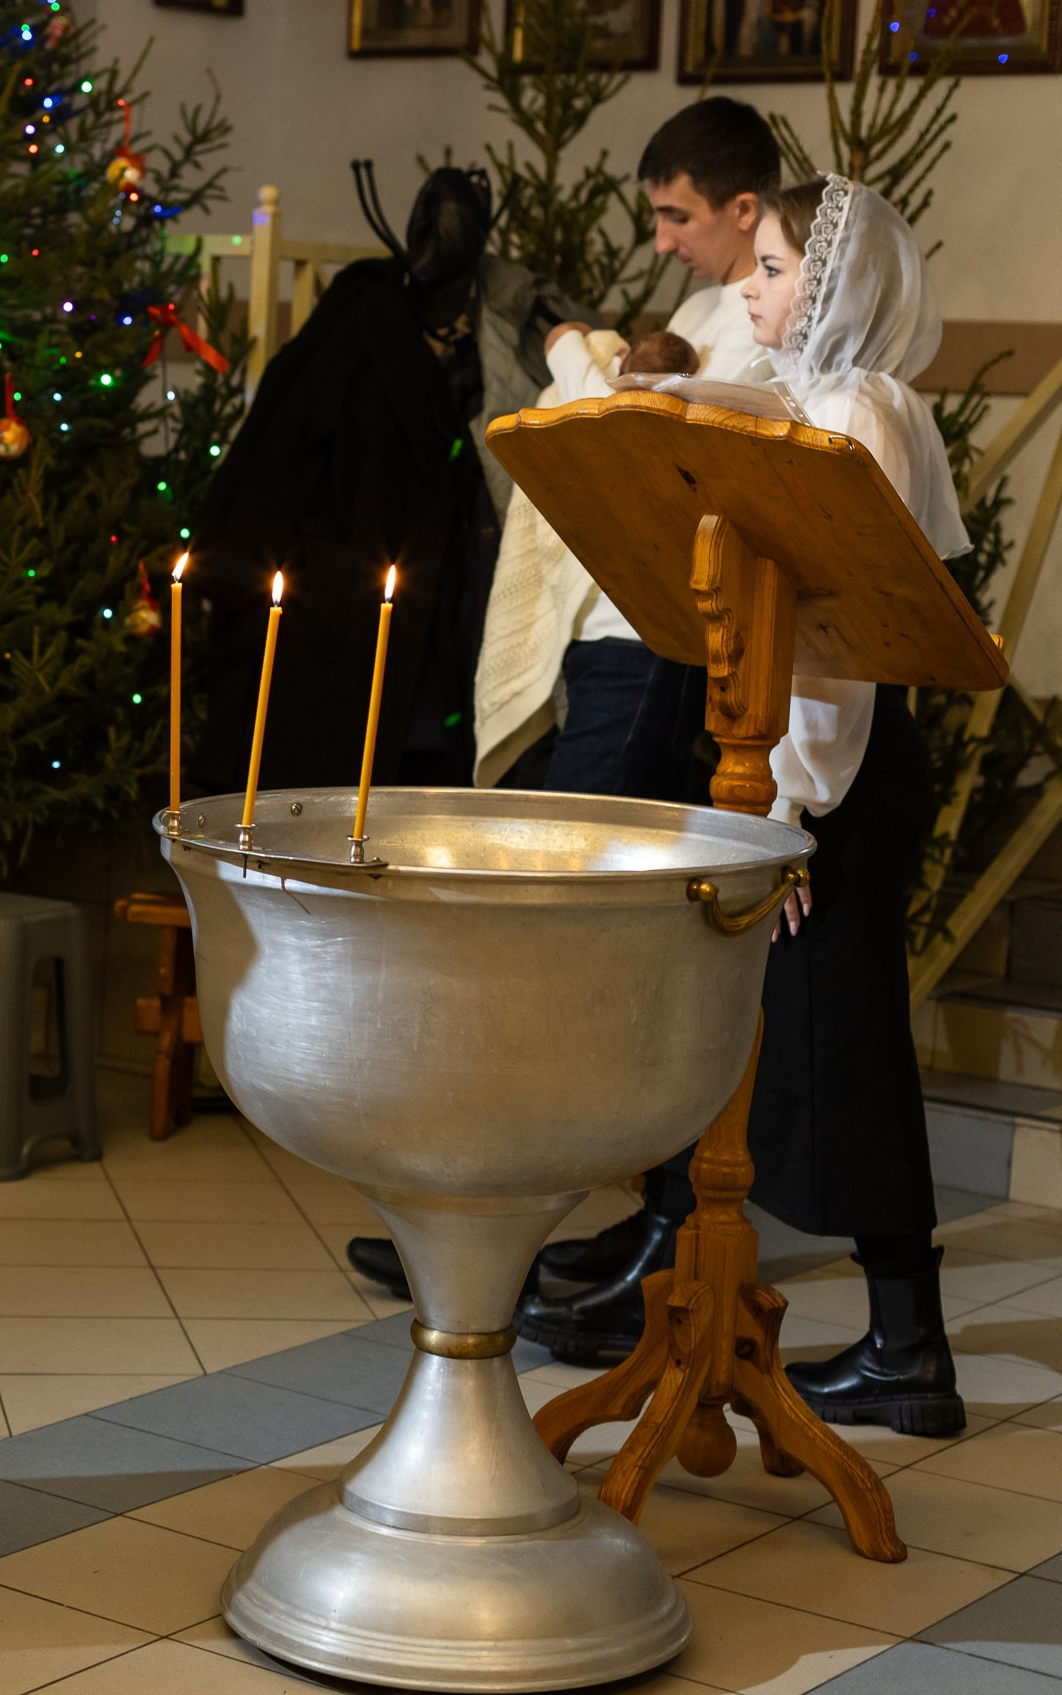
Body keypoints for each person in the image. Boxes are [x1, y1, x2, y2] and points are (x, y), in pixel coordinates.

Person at [520, 174, 968, 1440]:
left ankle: (907, 1351)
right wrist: (641, 397)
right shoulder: (810, 395)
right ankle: (807, 1314)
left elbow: (841, 645)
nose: (744, 290)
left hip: (839, 776)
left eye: (769, 269)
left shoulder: (863, 407)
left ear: (832, 286)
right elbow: (724, 410)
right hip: (803, 777)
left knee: (847, 1052)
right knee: (805, 1053)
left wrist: (793, 819)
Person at [353, 100, 780, 1304]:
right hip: (604, 633)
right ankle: (485, 1218)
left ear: (746, 210)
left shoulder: (765, 317)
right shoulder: (708, 307)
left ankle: (622, 1225)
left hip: (655, 642)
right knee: (545, 933)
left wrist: (603, 371)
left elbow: (713, 454)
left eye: (677, 216)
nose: (661, 242)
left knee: (592, 944)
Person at [189, 163, 594, 804]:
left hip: (420, 601)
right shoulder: (355, 328)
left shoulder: (507, 323)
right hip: (341, 600)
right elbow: (273, 468)